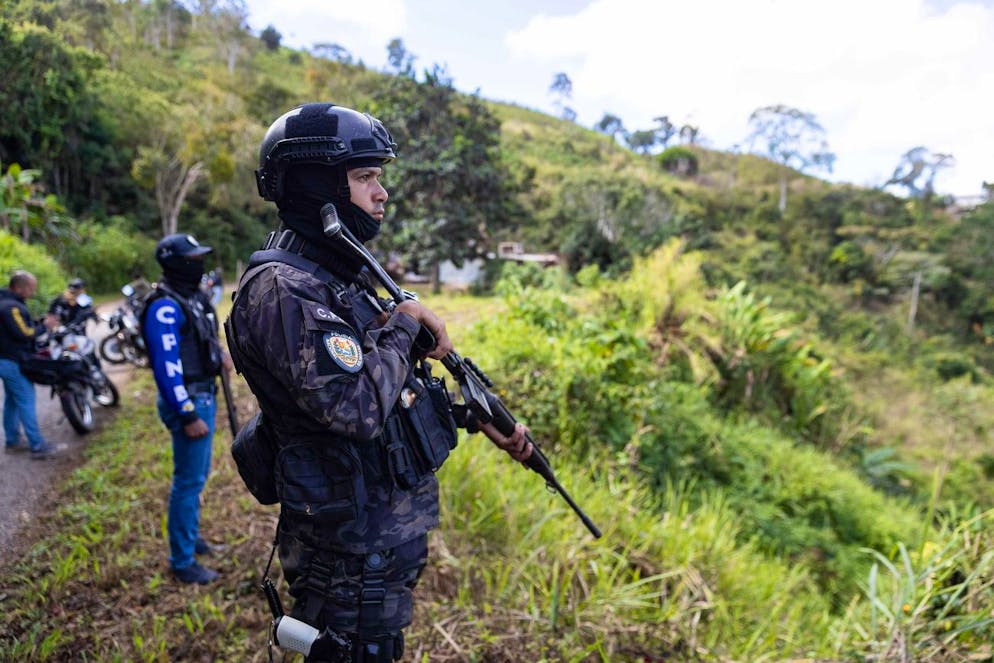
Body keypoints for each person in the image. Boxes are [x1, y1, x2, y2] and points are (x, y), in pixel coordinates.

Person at [226, 102, 533, 662]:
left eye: (379, 177)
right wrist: (406, 324)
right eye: (365, 177)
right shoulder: (284, 290)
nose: (381, 193)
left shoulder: (340, 274)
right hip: (345, 551)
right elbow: (357, 406)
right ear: (318, 185)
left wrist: (473, 416)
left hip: (378, 534)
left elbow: (391, 396)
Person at [141, 234, 231, 585]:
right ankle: (182, 560)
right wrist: (187, 413)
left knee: (197, 478)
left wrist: (219, 355)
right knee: (188, 482)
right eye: (192, 258)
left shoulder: (190, 297)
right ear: (174, 262)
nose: (199, 263)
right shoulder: (164, 306)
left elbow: (202, 336)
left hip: (203, 392)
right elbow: (166, 367)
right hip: (190, 399)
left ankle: (191, 539)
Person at [0, 271, 59, 458]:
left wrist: (39, 322)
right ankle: (37, 444)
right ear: (18, 288)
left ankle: (12, 439)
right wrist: (45, 326)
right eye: (30, 289)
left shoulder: (7, 303)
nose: (33, 293)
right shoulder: (11, 307)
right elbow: (24, 333)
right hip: (12, 361)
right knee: (26, 399)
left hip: (5, 360)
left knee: (12, 400)